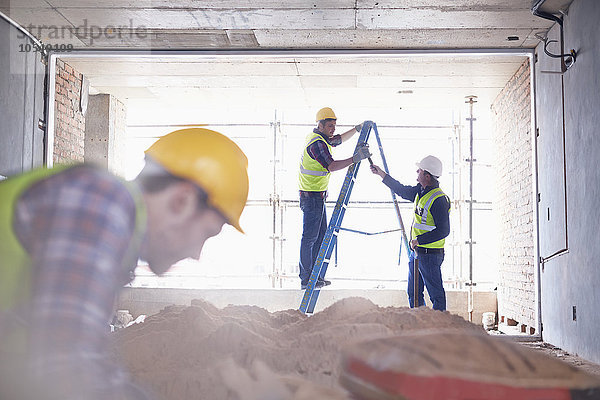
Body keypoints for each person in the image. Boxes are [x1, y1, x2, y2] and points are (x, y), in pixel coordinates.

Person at [0, 128, 249, 400]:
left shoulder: (109, 226)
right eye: (207, 233)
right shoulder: (100, 200)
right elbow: (67, 369)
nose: (197, 253)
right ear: (181, 201)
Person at [298, 107, 371, 290]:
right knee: (310, 238)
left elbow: (337, 140)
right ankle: (306, 279)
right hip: (312, 198)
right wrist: (355, 159)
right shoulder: (316, 143)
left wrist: (356, 129)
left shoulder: (320, 138)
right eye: (330, 125)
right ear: (320, 124)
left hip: (317, 197)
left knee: (320, 236)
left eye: (334, 125)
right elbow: (331, 166)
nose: (333, 128)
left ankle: (314, 277)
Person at [370, 155, 450, 311]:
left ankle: (439, 330)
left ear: (427, 176)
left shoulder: (439, 199)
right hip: (418, 252)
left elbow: (443, 230)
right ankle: (419, 326)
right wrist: (381, 174)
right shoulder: (421, 191)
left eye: (419, 170)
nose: (416, 172)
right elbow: (402, 190)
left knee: (436, 295)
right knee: (414, 293)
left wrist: (419, 240)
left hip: (430, 254)